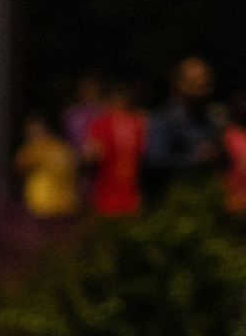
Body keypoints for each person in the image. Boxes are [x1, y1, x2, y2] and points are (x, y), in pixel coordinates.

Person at [142, 56, 225, 201]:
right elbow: (155, 161)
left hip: (206, 199)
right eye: (197, 82)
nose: (205, 87)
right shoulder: (165, 120)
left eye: (207, 82)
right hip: (175, 203)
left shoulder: (210, 119)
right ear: (180, 84)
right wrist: (194, 160)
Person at [81, 82, 147, 218]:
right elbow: (145, 156)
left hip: (106, 200)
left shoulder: (100, 124)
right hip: (132, 198)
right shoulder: (138, 123)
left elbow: (91, 157)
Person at [15, 114, 80, 219]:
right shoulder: (29, 150)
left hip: (54, 204)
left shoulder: (56, 147)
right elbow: (21, 169)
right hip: (43, 203)